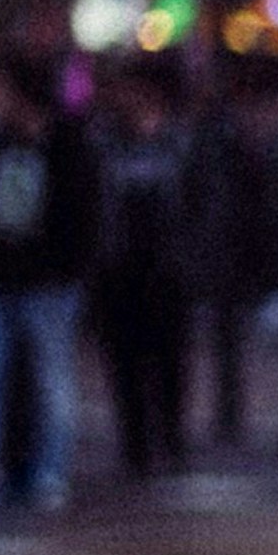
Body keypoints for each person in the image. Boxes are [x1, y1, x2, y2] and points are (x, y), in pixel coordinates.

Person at [0, 51, 98, 512]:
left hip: (49, 284)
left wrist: (66, 271)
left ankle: (50, 473)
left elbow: (83, 216)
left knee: (52, 379)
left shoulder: (67, 142)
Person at [191, 65, 278, 451]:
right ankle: (231, 417)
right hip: (231, 257)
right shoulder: (219, 142)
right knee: (228, 343)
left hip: (275, 260)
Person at [88, 60, 195, 480]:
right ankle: (136, 446)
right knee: (124, 361)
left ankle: (171, 439)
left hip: (168, 271)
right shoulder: (103, 142)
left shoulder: (180, 143)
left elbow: (201, 203)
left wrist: (191, 256)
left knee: (170, 361)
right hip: (118, 271)